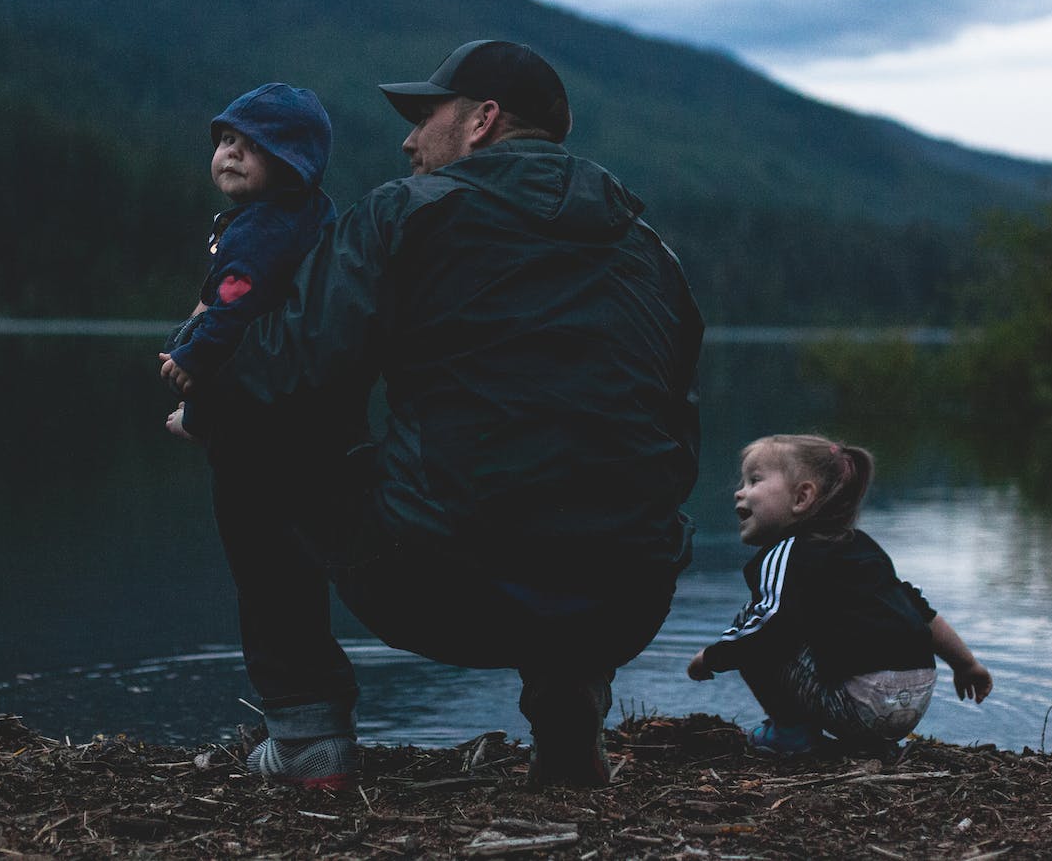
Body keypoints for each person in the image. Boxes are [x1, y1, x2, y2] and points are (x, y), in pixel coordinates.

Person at [165, 39, 703, 789]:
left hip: (447, 584)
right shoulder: (654, 254)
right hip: (627, 597)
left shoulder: (403, 214)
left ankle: (306, 733)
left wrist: (204, 405)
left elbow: (285, 373)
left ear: (481, 121)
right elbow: (680, 439)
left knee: (251, 428)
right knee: (588, 477)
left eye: (424, 116)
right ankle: (568, 716)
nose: (408, 139)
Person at [686, 433, 992, 757]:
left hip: (858, 704)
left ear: (802, 497)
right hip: (913, 703)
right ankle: (870, 744)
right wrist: (966, 665)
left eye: (754, 480)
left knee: (756, 620)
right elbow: (921, 613)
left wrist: (712, 656)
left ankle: (790, 733)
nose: (739, 491)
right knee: (798, 625)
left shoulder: (786, 553)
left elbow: (767, 627)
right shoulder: (863, 548)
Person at [156, 83, 336, 430]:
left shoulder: (262, 232)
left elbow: (234, 310)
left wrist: (192, 358)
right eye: (227, 140)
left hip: (264, 372)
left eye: (255, 145)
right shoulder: (306, 213)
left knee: (190, 345)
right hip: (296, 382)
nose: (233, 153)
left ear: (290, 164)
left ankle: (196, 420)